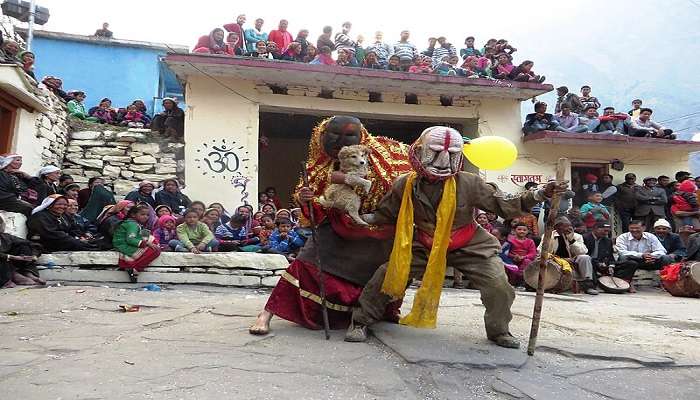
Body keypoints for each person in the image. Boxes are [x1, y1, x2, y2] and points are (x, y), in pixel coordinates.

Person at [345, 126, 567, 348]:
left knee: (499, 286)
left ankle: (499, 331)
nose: (443, 161)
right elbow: (387, 212)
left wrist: (540, 193)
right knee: (386, 274)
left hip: (470, 246)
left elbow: (505, 205)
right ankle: (360, 321)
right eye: (436, 152)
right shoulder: (405, 184)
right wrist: (356, 215)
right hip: (425, 244)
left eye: (452, 154)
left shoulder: (470, 182)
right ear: (419, 150)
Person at [249, 116, 412, 336]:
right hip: (336, 226)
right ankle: (266, 314)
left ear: (360, 137)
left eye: (348, 136)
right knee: (303, 264)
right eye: (334, 135)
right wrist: (306, 198)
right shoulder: (316, 165)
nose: (340, 141)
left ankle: (369, 315)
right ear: (322, 136)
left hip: (377, 229)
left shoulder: (387, 154)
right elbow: (315, 202)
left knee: (383, 274)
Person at [538, 216, 599, 295]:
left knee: (585, 258)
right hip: (554, 260)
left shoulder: (577, 236)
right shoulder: (548, 235)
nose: (569, 228)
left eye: (570, 226)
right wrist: (559, 258)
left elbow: (583, 251)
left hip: (572, 260)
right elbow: (540, 250)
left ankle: (588, 285)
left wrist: (572, 241)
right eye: (565, 226)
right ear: (557, 227)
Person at [614, 220, 673, 292]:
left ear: (644, 228)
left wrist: (651, 256)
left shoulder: (650, 236)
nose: (634, 230)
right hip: (633, 261)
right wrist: (641, 255)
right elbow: (622, 252)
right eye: (632, 228)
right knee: (623, 257)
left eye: (637, 228)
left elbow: (662, 250)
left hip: (649, 260)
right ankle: (627, 283)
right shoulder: (622, 237)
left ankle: (666, 282)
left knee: (666, 258)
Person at [27, 195, 98, 252]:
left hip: (66, 239)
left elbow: (73, 228)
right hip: (48, 242)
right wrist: (74, 239)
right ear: (50, 205)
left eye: (65, 205)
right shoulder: (40, 216)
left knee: (95, 241)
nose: (62, 207)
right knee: (82, 245)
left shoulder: (64, 215)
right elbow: (50, 233)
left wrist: (79, 236)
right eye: (59, 204)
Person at [112, 204, 161, 282]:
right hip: (123, 245)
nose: (145, 217)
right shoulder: (132, 225)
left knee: (153, 242)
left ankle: (133, 267)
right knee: (155, 250)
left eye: (147, 215)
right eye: (142, 214)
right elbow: (130, 239)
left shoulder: (134, 224)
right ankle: (135, 268)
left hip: (126, 243)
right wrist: (147, 244)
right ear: (133, 215)